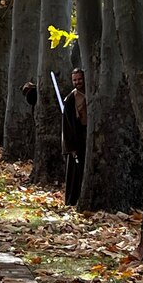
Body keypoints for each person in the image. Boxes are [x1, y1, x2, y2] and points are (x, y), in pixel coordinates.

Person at [61, 67, 86, 206]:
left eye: (80, 79)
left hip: (88, 135)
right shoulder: (71, 99)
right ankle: (72, 201)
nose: (77, 82)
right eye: (75, 80)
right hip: (76, 138)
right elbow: (68, 124)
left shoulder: (91, 92)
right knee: (75, 172)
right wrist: (72, 146)